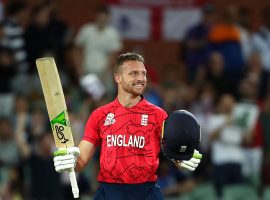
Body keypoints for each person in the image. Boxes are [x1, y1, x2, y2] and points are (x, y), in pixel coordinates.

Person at [53, 52, 202, 200]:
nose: (141, 78)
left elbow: (174, 154)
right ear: (118, 78)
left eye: (143, 74)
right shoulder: (99, 115)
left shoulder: (159, 115)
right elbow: (82, 159)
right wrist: (71, 162)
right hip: (109, 193)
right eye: (133, 73)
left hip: (146, 193)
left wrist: (183, 159)